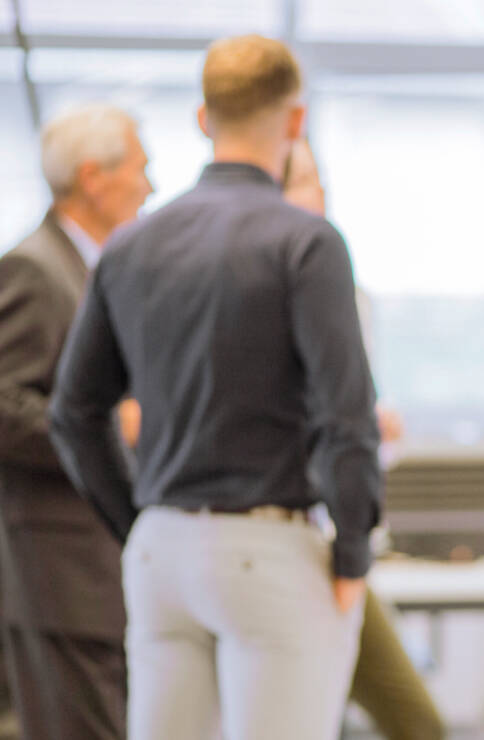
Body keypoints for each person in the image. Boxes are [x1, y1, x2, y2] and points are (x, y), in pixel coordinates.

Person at [48, 35, 380, 740]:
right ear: (295, 121)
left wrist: (136, 519)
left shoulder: (130, 245)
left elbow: (73, 414)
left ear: (204, 119)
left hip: (161, 556)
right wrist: (354, 549)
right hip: (269, 552)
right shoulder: (307, 241)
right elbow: (344, 415)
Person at [284, 137, 445, 740]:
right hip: (287, 541)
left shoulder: (347, 295)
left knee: (413, 721)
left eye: (312, 178)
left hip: (335, 538)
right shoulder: (239, 292)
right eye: (295, 179)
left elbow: (355, 427)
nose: (310, 193)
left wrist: (376, 432)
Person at [0, 103, 151, 739]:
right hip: (58, 572)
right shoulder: (35, 267)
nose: (150, 185)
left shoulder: (96, 268)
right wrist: (116, 426)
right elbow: (6, 408)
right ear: (95, 177)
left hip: (99, 567)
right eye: (142, 168)